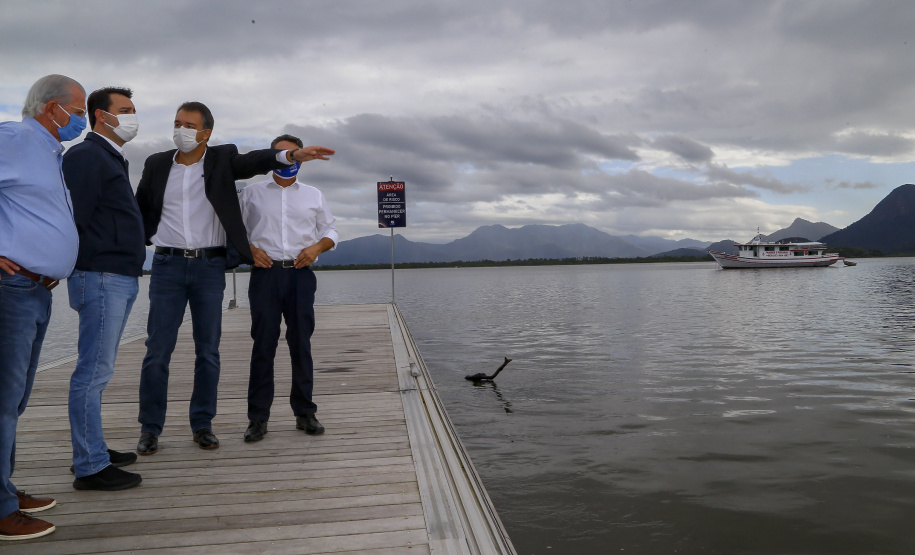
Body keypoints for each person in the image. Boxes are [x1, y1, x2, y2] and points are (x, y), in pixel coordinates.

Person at [134, 102, 334, 455]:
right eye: (177, 123)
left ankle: (203, 425)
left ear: (206, 133)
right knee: (157, 351)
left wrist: (291, 154)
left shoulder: (222, 159)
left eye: (189, 125)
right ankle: (150, 428)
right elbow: (140, 211)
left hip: (210, 268)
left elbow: (255, 161)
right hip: (166, 265)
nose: (180, 129)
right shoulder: (155, 163)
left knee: (208, 351)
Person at [0, 74, 85, 541]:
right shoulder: (14, 138)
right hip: (10, 290)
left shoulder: (49, 152)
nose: (82, 119)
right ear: (52, 107)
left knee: (12, 401)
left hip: (33, 291)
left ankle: (5, 492)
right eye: (79, 109)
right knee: (1, 403)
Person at [61, 87, 145, 491]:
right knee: (93, 372)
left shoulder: (110, 157)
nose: (132, 117)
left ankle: (92, 446)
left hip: (117, 275)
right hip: (99, 275)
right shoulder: (87, 156)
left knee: (98, 370)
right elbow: (73, 220)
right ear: (101, 115)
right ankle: (90, 465)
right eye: (125, 110)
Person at [240, 134, 338, 442]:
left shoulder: (313, 195)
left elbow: (331, 229)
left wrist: (318, 248)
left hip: (300, 275)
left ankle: (305, 412)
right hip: (265, 276)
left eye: (292, 153)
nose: (287, 159)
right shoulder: (250, 193)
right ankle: (258, 418)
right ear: (273, 157)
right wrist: (249, 250)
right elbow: (233, 230)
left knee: (301, 344)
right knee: (263, 346)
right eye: (281, 154)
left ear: (302, 157)